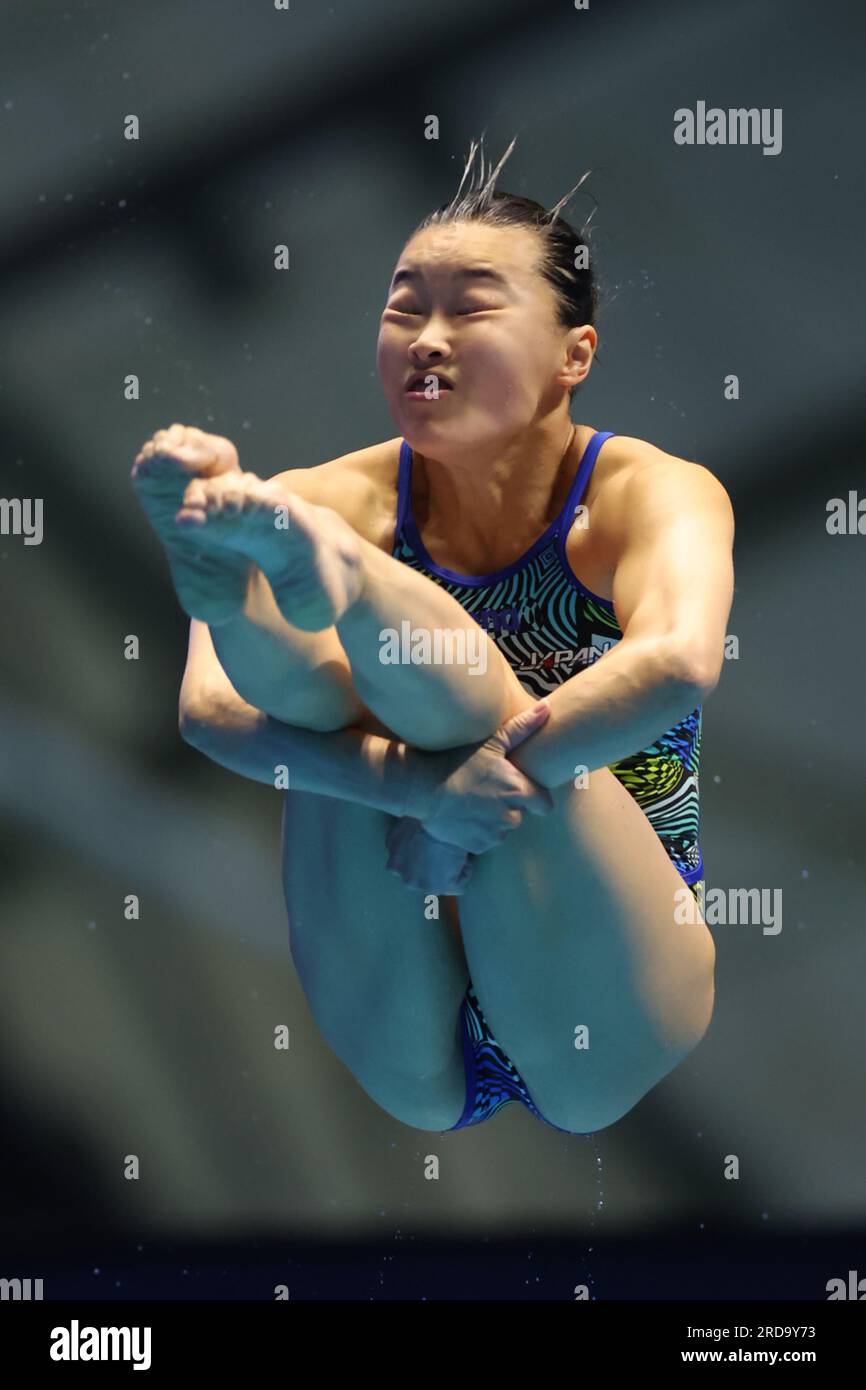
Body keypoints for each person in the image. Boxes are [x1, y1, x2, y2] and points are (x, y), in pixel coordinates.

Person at [131, 136, 733, 1134]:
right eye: (405, 305)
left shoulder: (645, 493)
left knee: (466, 693)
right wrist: (416, 790)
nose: (426, 334)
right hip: (405, 1008)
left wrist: (466, 788)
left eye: (471, 304)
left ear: (572, 354)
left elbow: (676, 661)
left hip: (611, 981)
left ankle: (345, 579)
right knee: (323, 699)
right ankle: (276, 587)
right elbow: (206, 712)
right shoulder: (312, 494)